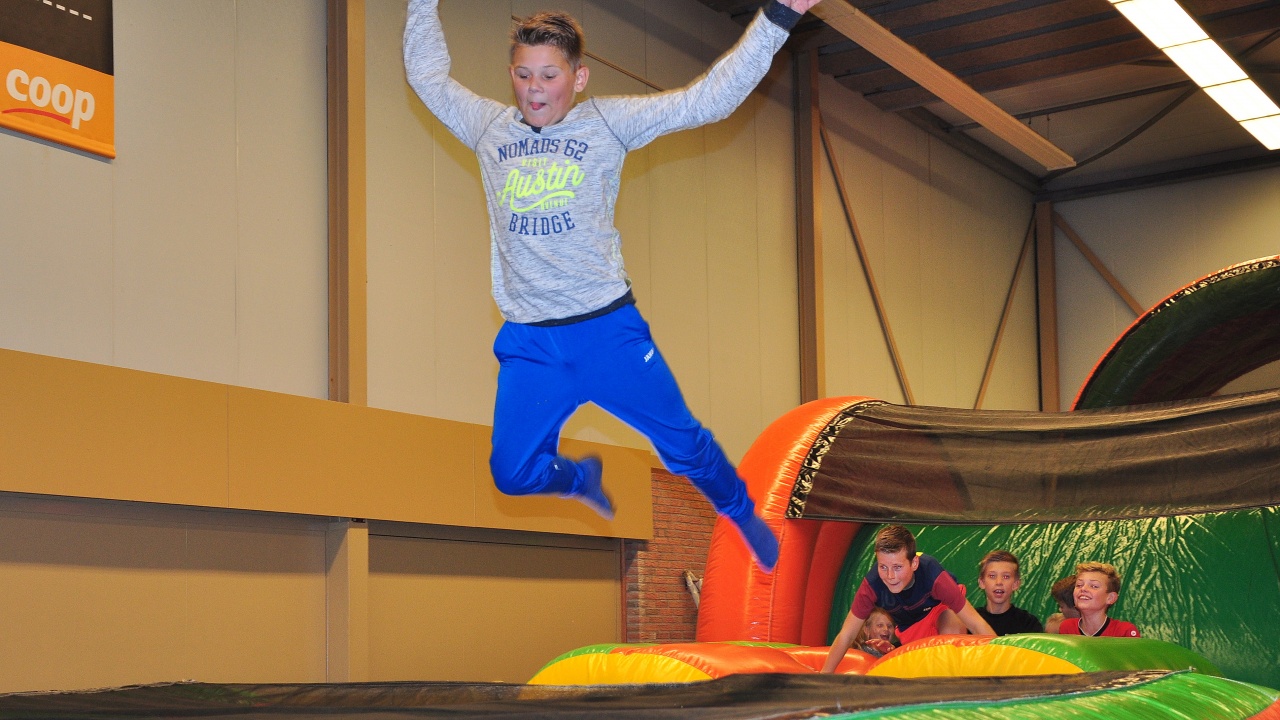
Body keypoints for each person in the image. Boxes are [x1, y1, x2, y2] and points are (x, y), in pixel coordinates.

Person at [403, 0, 823, 572]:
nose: (534, 89)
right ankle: (579, 478)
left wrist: (778, 17)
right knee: (511, 473)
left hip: (607, 331)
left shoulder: (605, 123)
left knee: (684, 447)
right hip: (532, 342)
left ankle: (741, 512)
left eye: (549, 75)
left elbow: (708, 99)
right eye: (523, 74)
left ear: (578, 78)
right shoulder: (488, 128)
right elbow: (427, 77)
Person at [821, 526, 996, 672]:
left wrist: (1000, 657)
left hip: (939, 610)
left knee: (951, 629)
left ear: (914, 563)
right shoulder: (872, 585)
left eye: (897, 567)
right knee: (918, 667)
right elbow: (847, 634)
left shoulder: (933, 575)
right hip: (911, 627)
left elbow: (975, 623)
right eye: (883, 567)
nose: (890, 576)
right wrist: (824, 676)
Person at [1058, 562, 1140, 638]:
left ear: (1110, 598)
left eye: (1094, 586)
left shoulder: (1124, 631)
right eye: (1079, 585)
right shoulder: (1067, 627)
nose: (1083, 589)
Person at [974, 549, 1043, 635]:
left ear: (1016, 584)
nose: (999, 582)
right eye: (992, 576)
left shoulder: (1029, 624)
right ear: (982, 583)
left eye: (1006, 577)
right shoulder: (971, 621)